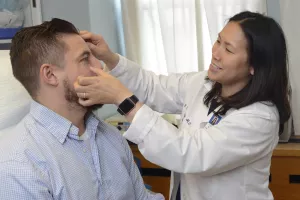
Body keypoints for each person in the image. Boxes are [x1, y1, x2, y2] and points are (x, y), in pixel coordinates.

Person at [74, 11, 291, 200]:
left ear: (254, 65)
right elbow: (152, 87)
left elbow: (189, 153)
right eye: (218, 41)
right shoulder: (203, 83)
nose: (216, 53)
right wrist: (110, 58)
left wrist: (122, 99)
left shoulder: (260, 117)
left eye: (229, 49)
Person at [0, 18, 164, 200]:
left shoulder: (111, 137)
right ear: (50, 75)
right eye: (85, 59)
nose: (99, 66)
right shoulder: (20, 165)